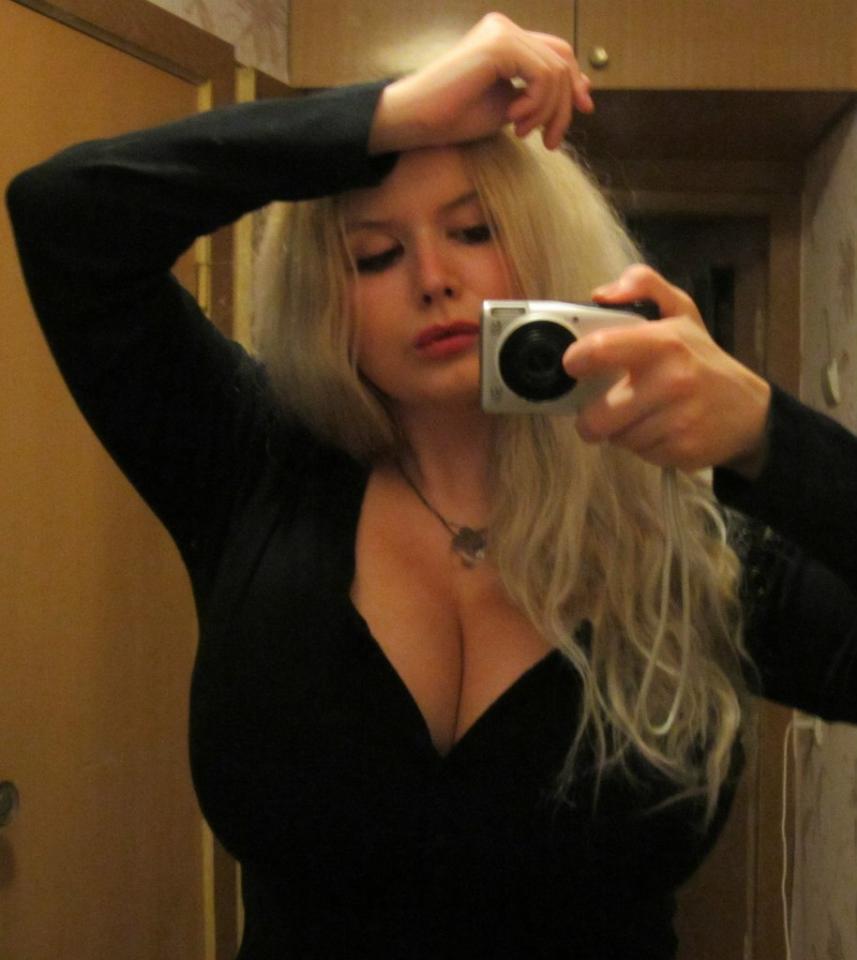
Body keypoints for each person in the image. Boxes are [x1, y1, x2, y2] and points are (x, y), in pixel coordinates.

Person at [6, 12, 857, 959]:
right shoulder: (249, 466)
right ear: (327, 299)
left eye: (473, 229)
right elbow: (64, 213)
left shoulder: (685, 544)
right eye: (375, 254)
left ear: (540, 247)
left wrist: (768, 436)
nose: (433, 279)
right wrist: (388, 114)